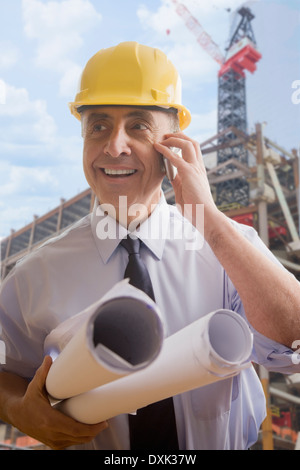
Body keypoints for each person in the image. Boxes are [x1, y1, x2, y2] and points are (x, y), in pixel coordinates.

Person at [1, 41, 300, 451]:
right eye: (99, 126)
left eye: (138, 125)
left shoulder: (228, 249)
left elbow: (293, 341)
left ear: (173, 143)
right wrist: (18, 408)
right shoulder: (33, 276)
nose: (115, 146)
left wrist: (210, 221)